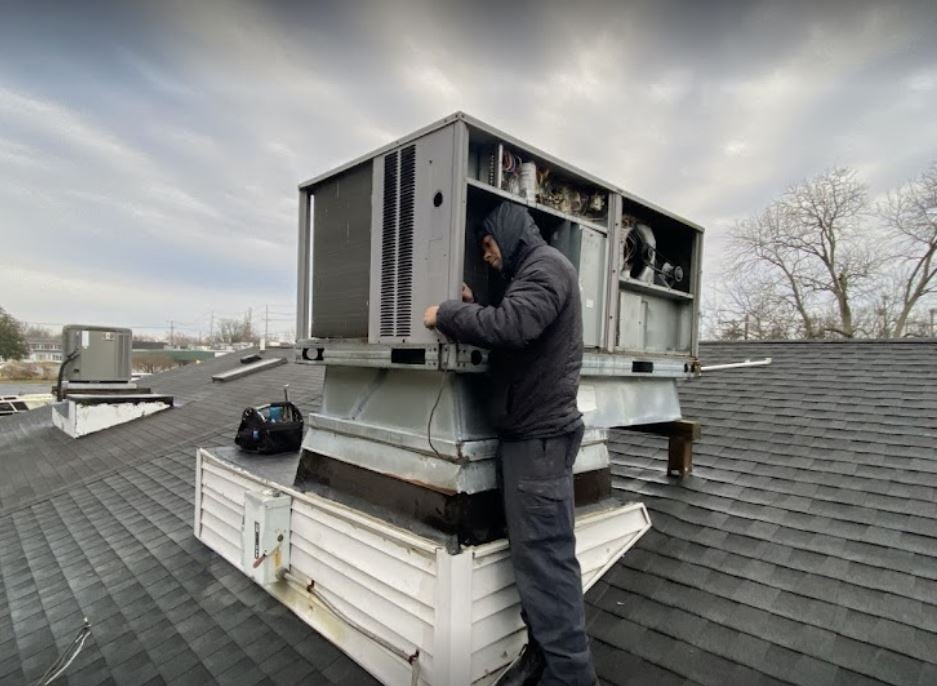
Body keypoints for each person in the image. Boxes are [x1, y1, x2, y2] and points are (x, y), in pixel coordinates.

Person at [423, 201, 596, 686]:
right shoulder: (541, 271)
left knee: (546, 563)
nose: (486, 251)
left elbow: (515, 325)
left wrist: (448, 314)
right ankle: (542, 658)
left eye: (487, 243)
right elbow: (514, 315)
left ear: (508, 232)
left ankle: (570, 677)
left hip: (539, 441)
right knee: (537, 560)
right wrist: (476, 300)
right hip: (533, 440)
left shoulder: (546, 268)